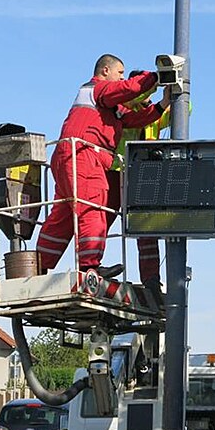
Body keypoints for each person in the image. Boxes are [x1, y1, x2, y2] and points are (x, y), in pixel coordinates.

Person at [37, 54, 170, 278]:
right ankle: (90, 266)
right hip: (83, 155)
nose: (121, 78)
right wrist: (158, 77)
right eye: (120, 73)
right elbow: (128, 89)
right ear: (105, 71)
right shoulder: (100, 89)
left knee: (64, 215)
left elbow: (133, 119)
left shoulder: (102, 102)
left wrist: (163, 104)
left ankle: (39, 264)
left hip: (67, 155)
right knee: (93, 208)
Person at [105, 70, 171, 291]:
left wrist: (177, 90)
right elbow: (132, 104)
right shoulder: (121, 108)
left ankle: (151, 279)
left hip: (141, 174)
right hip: (116, 170)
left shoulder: (152, 112)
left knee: (146, 230)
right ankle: (91, 264)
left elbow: (184, 109)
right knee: (100, 219)